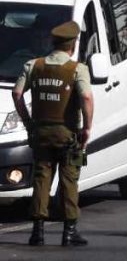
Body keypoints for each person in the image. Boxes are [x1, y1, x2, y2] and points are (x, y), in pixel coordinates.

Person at [12, 21, 93, 247]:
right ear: (73, 45)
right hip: (69, 135)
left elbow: (17, 93)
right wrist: (87, 128)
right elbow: (86, 97)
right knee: (70, 180)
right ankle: (69, 232)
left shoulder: (34, 65)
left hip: (41, 134)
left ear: (53, 43)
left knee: (41, 178)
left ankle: (37, 232)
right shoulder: (78, 69)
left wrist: (28, 122)